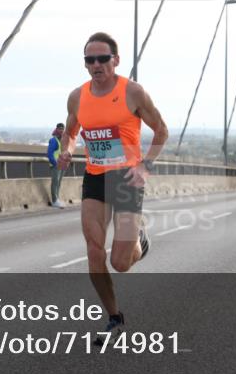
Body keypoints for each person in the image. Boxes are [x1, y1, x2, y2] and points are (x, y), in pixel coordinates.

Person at [57, 31, 168, 343]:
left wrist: (146, 164)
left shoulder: (132, 92)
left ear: (115, 61)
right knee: (94, 252)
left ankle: (140, 241)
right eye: (90, 59)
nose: (96, 64)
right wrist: (67, 150)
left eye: (102, 58)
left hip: (127, 179)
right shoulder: (77, 96)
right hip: (95, 177)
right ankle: (115, 317)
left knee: (120, 263)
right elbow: (71, 130)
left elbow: (161, 129)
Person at [46, 123, 66, 208]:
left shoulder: (62, 140)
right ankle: (54, 200)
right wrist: (55, 163)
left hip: (61, 165)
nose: (61, 130)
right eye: (60, 128)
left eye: (62, 129)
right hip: (55, 165)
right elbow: (49, 154)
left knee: (58, 182)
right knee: (55, 182)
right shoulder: (54, 140)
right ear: (56, 129)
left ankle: (57, 199)